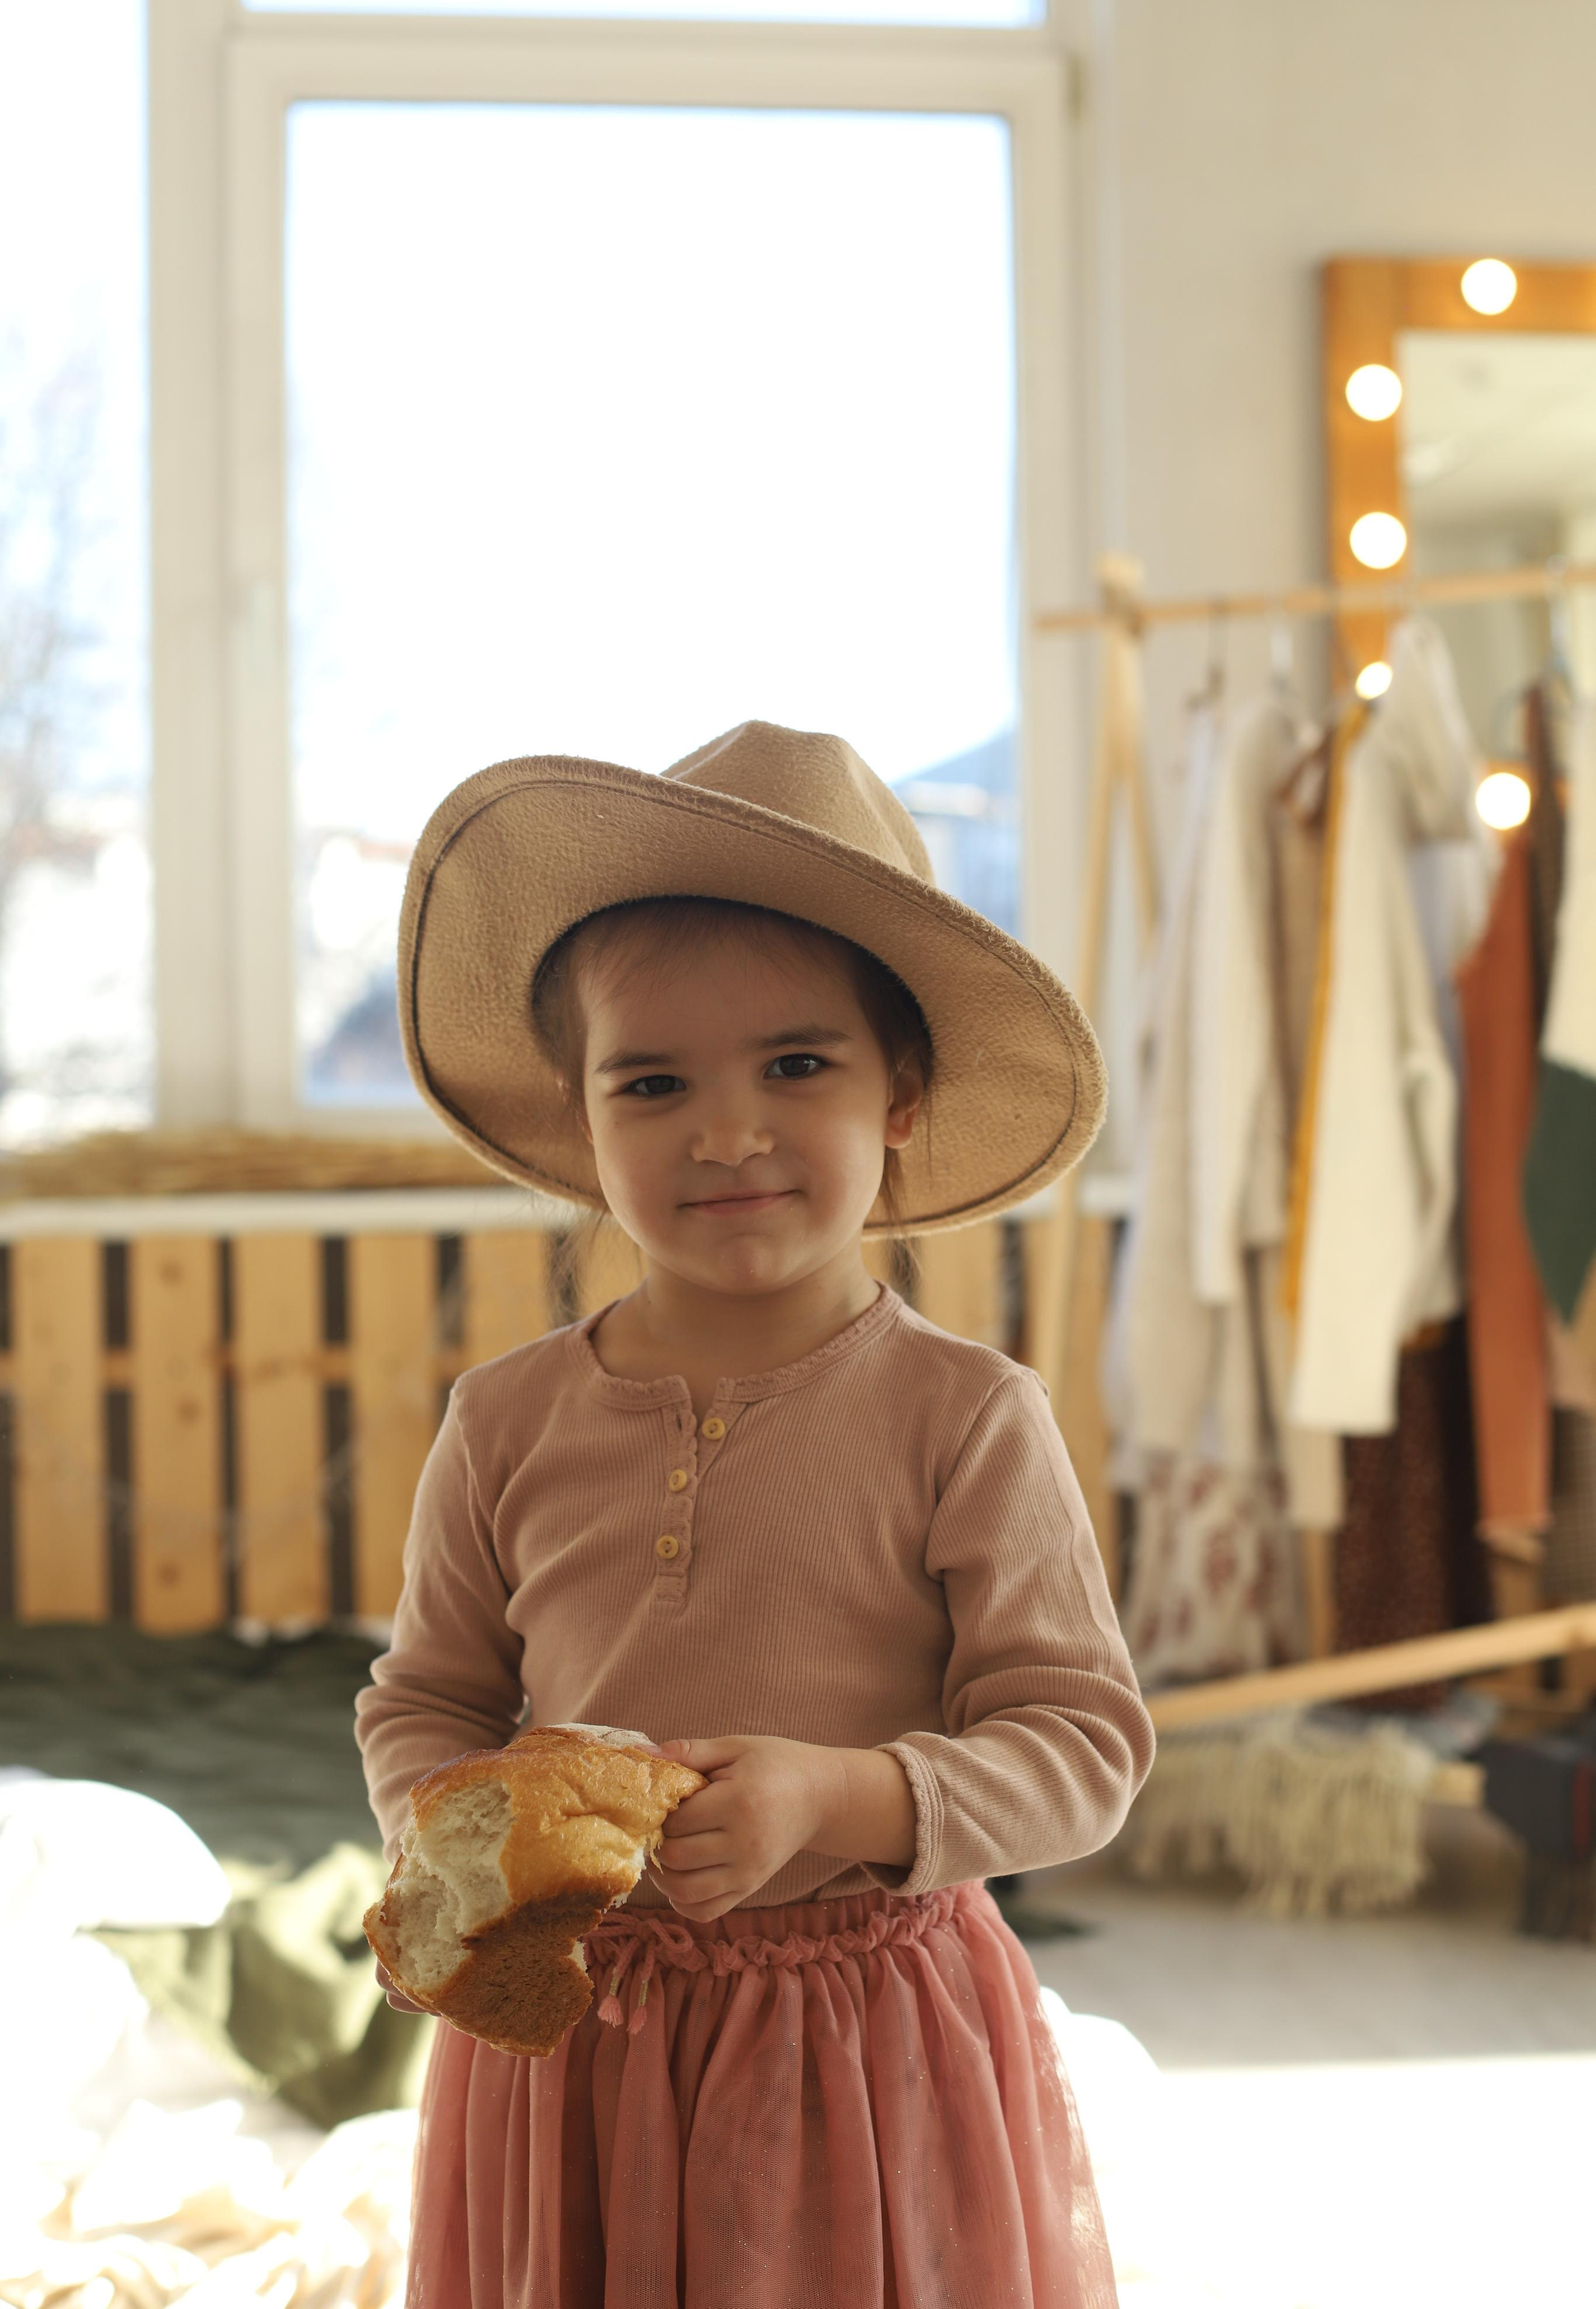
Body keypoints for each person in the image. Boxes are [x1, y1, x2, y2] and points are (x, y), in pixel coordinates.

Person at [355, 720, 1155, 2308]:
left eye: (796, 1065)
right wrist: (459, 1847)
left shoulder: (965, 1417)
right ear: (580, 1122)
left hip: (860, 2041)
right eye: (651, 1083)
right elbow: (426, 1699)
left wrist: (839, 1798)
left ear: (902, 1098)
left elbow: (1081, 1749)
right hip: (570, 2036)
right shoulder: (503, 1419)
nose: (725, 1133)